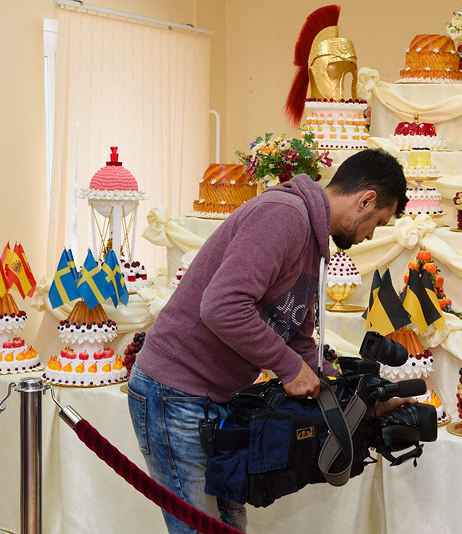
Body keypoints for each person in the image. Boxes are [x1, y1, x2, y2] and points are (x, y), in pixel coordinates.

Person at [127, 148, 408, 533]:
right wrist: (289, 368)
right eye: (377, 222)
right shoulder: (284, 216)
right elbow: (222, 306)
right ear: (366, 200)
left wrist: (359, 400)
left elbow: (298, 337)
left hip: (215, 399)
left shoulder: (312, 237)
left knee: (229, 526)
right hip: (174, 393)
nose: (370, 234)